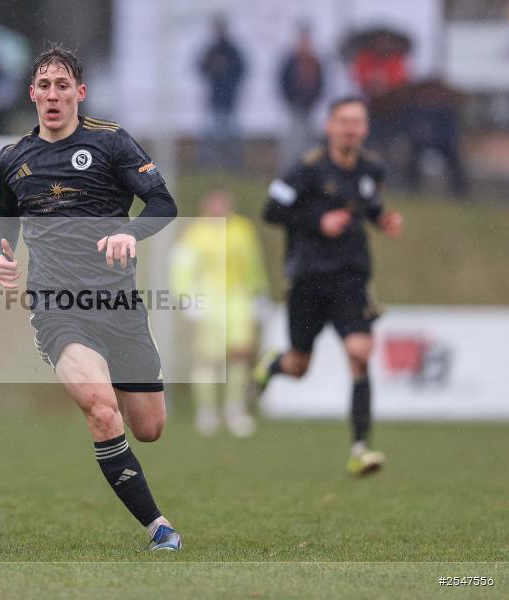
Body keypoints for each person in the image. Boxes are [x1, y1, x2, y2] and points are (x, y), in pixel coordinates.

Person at [0, 45, 181, 550]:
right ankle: (159, 528)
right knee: (100, 408)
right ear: (32, 93)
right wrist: (2, 255)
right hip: (56, 308)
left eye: (62, 86)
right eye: (44, 86)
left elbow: (164, 202)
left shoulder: (112, 143)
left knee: (150, 428)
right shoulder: (14, 158)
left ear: (80, 92)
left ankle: (110, 380)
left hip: (118, 307)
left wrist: (130, 235)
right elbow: (4, 219)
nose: (53, 95)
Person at [253, 96, 404, 476]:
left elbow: (367, 204)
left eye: (357, 122)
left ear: (365, 129)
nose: (351, 129)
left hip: (352, 276)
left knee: (359, 352)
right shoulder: (306, 170)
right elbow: (271, 211)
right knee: (299, 366)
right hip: (308, 278)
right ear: (330, 127)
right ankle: (275, 364)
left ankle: (361, 448)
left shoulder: (372, 169)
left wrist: (382, 219)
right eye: (344, 122)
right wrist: (318, 222)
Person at [171, 190, 269, 437]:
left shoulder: (242, 230)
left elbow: (253, 264)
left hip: (237, 299)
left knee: (240, 353)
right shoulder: (195, 233)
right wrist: (186, 298)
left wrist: (259, 294)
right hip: (207, 299)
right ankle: (207, 411)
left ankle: (234, 409)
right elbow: (182, 267)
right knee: (207, 357)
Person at [197, 15, 246, 169]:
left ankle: (233, 164)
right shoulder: (212, 49)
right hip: (215, 99)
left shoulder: (232, 50)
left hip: (229, 99)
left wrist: (227, 74)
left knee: (232, 134)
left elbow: (241, 70)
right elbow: (201, 67)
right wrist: (213, 67)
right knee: (211, 134)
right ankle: (209, 164)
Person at [278, 25, 324, 170]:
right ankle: (290, 168)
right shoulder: (291, 60)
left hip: (309, 106)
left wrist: (313, 100)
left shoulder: (314, 60)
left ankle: (308, 168)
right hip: (295, 105)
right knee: (294, 139)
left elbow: (320, 82)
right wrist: (290, 99)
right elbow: (283, 81)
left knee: (309, 139)